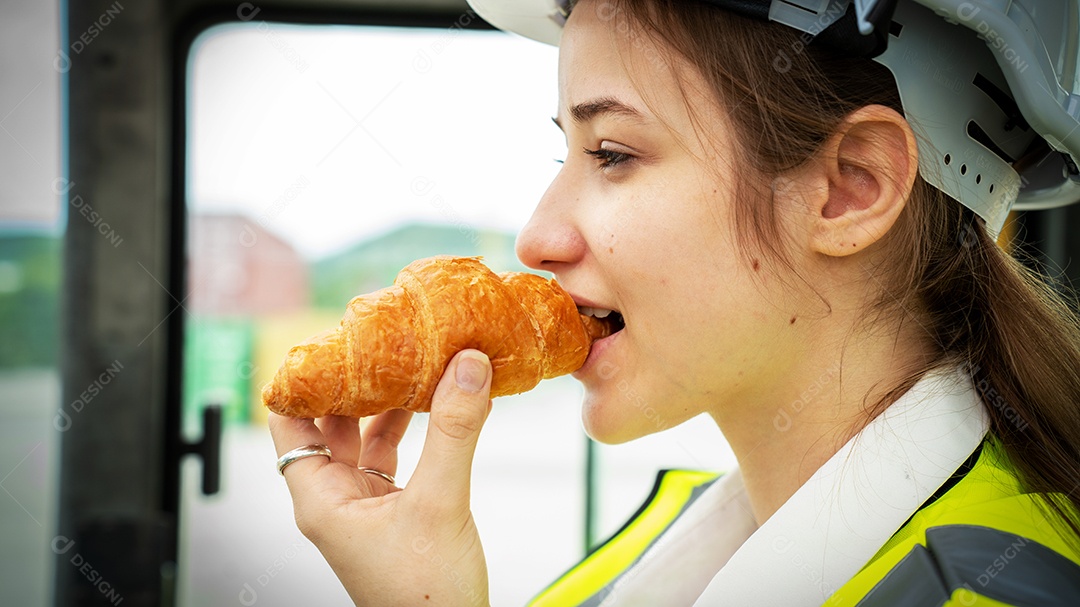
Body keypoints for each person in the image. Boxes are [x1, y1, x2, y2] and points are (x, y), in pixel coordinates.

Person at [268, 0, 1080, 604]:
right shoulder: (652, 543)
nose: (536, 237)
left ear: (849, 189)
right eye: (565, 152)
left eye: (611, 153)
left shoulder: (995, 590)